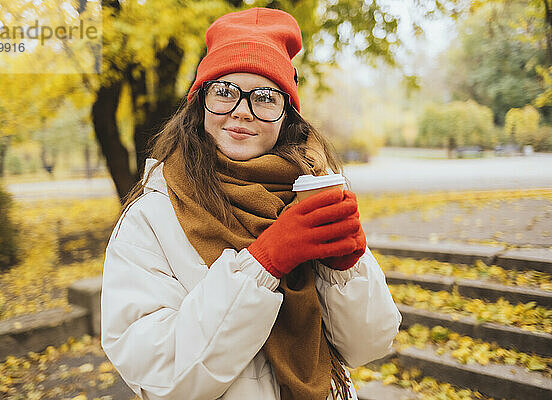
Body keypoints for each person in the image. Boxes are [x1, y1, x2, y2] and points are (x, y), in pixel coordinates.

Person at [101, 7, 401, 400]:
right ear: (199, 102)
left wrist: (347, 270)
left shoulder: (309, 195)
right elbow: (160, 374)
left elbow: (368, 346)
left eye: (263, 97)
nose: (241, 110)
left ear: (286, 114)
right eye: (224, 91)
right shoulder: (152, 216)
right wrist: (263, 265)